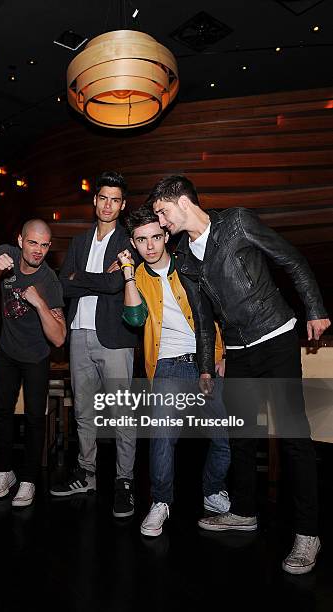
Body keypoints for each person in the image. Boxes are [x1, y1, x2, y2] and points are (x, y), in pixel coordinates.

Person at [148, 174, 330, 574]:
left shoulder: (237, 223)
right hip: (236, 350)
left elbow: (292, 259)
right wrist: (203, 365)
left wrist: (314, 308)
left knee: (293, 436)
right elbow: (201, 317)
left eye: (162, 213)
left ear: (182, 202)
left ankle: (308, 531)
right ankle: (244, 511)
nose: (161, 223)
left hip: (275, 335)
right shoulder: (182, 257)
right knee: (242, 435)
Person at [118, 207, 230, 537]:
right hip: (166, 363)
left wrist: (222, 354)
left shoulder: (190, 265)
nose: (150, 245)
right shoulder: (137, 275)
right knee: (163, 440)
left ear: (166, 236)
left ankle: (212, 491)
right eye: (142, 240)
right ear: (134, 243)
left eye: (156, 237)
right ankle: (161, 502)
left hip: (206, 360)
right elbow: (135, 320)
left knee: (224, 438)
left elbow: (219, 308)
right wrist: (126, 272)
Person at [50, 171, 139, 518]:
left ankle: (125, 482)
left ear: (122, 205)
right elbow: (62, 287)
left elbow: (118, 285)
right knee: (84, 412)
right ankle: (86, 474)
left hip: (115, 338)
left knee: (122, 415)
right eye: (103, 197)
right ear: (95, 200)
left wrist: (82, 279)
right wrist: (97, 280)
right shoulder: (79, 241)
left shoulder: (128, 241)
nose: (108, 204)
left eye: (115, 199)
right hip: (78, 334)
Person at [0, 219, 65, 507]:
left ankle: (28, 480)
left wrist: (40, 304)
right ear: (20, 240)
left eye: (43, 244)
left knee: (34, 419)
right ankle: (4, 473)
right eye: (32, 242)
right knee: (1, 415)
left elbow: (59, 339)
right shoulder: (6, 256)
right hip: (6, 352)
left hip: (36, 358)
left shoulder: (50, 281)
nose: (37, 250)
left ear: (49, 247)